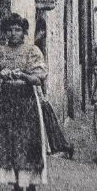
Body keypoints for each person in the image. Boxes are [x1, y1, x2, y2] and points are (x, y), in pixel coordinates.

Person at [0, 12, 49, 191]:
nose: (13, 33)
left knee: (28, 145)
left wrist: (24, 76)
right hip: (6, 104)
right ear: (5, 32)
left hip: (27, 103)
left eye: (17, 30)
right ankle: (17, 190)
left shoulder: (32, 51)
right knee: (9, 144)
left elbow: (38, 78)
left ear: (24, 32)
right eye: (9, 30)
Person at [33, 16, 75, 160]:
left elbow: (40, 74)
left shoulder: (36, 48)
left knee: (48, 118)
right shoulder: (34, 47)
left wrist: (41, 95)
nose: (42, 35)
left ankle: (60, 146)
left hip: (38, 92)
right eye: (41, 32)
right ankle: (59, 146)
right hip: (38, 92)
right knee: (47, 118)